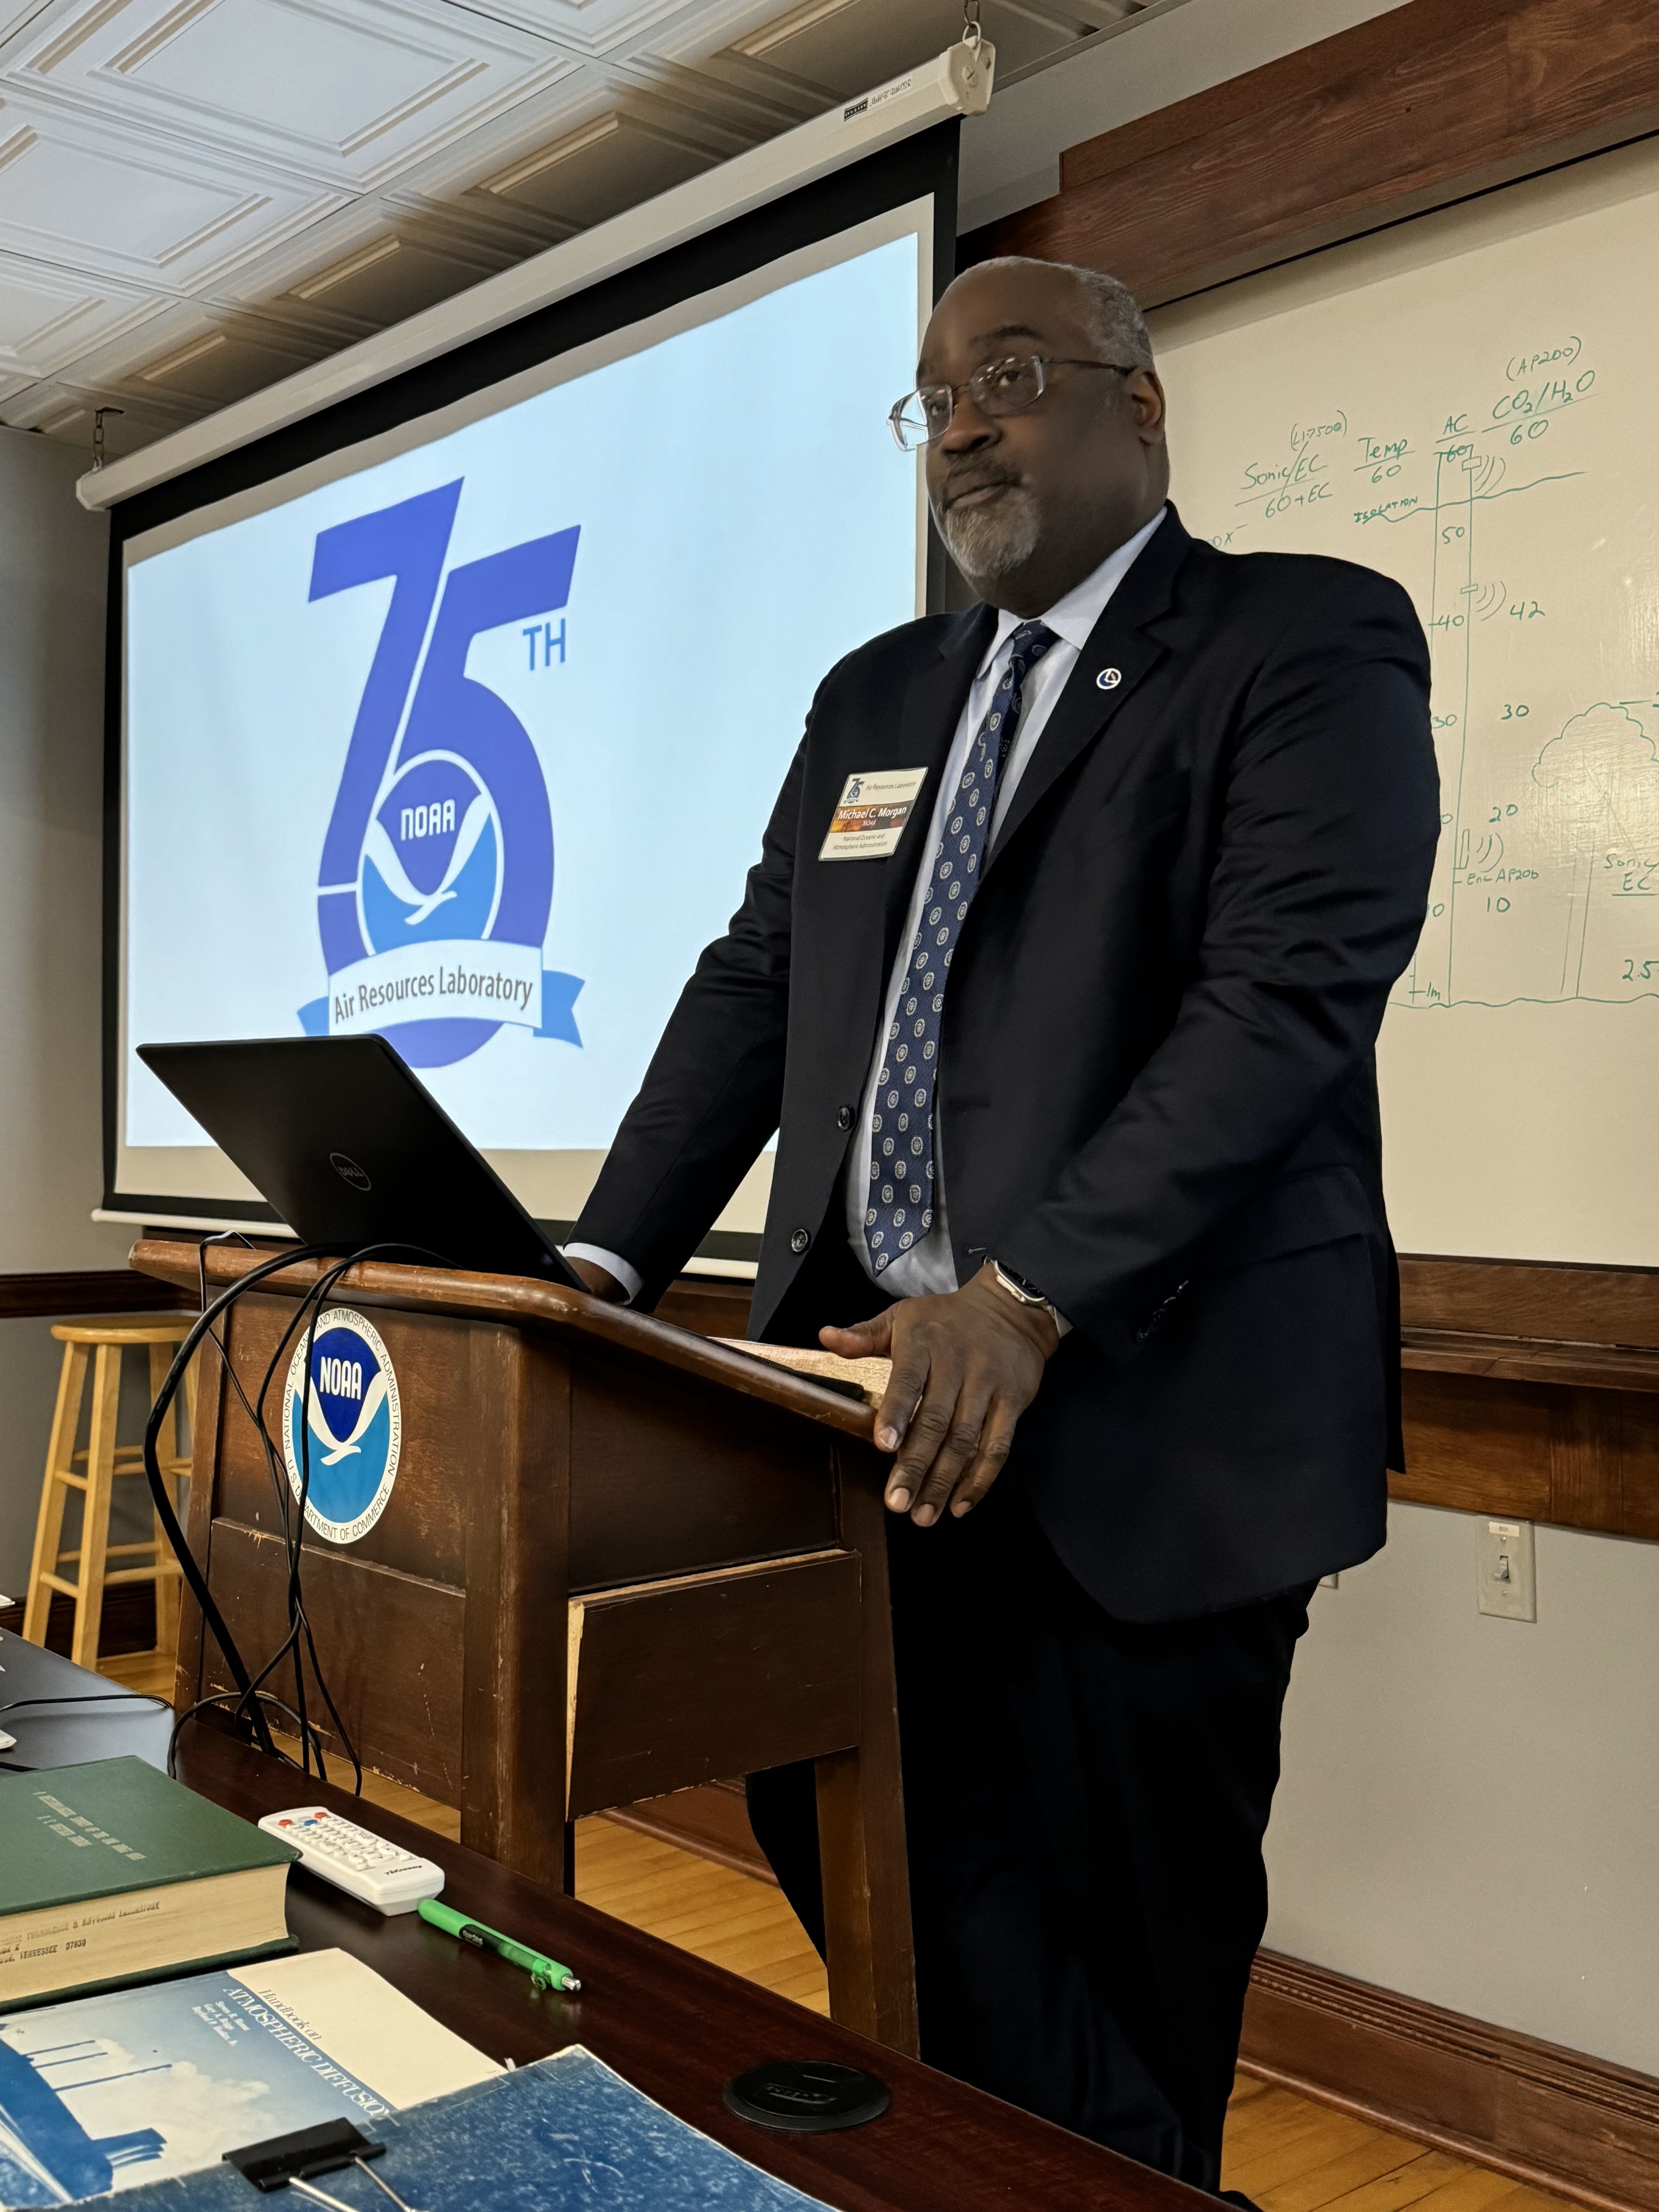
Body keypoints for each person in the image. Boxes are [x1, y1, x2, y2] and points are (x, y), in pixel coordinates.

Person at [565, 254, 1439, 2190]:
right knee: (867, 1875)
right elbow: (757, 986)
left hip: (1139, 1421)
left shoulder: (1303, 642)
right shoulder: (874, 697)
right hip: (853, 1422)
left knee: (1121, 1955)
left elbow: (1288, 994)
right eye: (935, 395)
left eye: (1011, 375)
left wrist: (1027, 1295)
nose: (961, 422)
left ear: (1141, 403)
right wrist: (599, 1261)